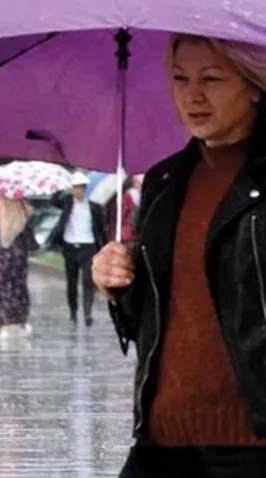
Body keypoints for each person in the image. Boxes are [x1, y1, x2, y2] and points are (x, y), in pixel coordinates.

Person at [92, 34, 266, 477]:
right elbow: (158, 317)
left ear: (254, 83)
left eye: (211, 78)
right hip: (163, 438)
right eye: (179, 78)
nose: (193, 95)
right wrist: (117, 284)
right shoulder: (165, 181)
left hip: (253, 442)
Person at [49, 172, 106, 326]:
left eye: (81, 188)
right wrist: (61, 186)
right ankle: (73, 311)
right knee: (72, 282)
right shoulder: (67, 202)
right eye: (75, 188)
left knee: (88, 281)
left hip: (88, 247)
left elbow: (101, 228)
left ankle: (88, 313)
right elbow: (53, 200)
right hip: (70, 246)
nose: (78, 191)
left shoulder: (94, 207)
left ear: (85, 189)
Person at [0, 195, 34, 340]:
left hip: (4, 250)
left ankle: (5, 323)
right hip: (19, 250)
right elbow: (29, 217)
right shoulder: (22, 202)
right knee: (19, 286)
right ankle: (22, 321)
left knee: (2, 286)